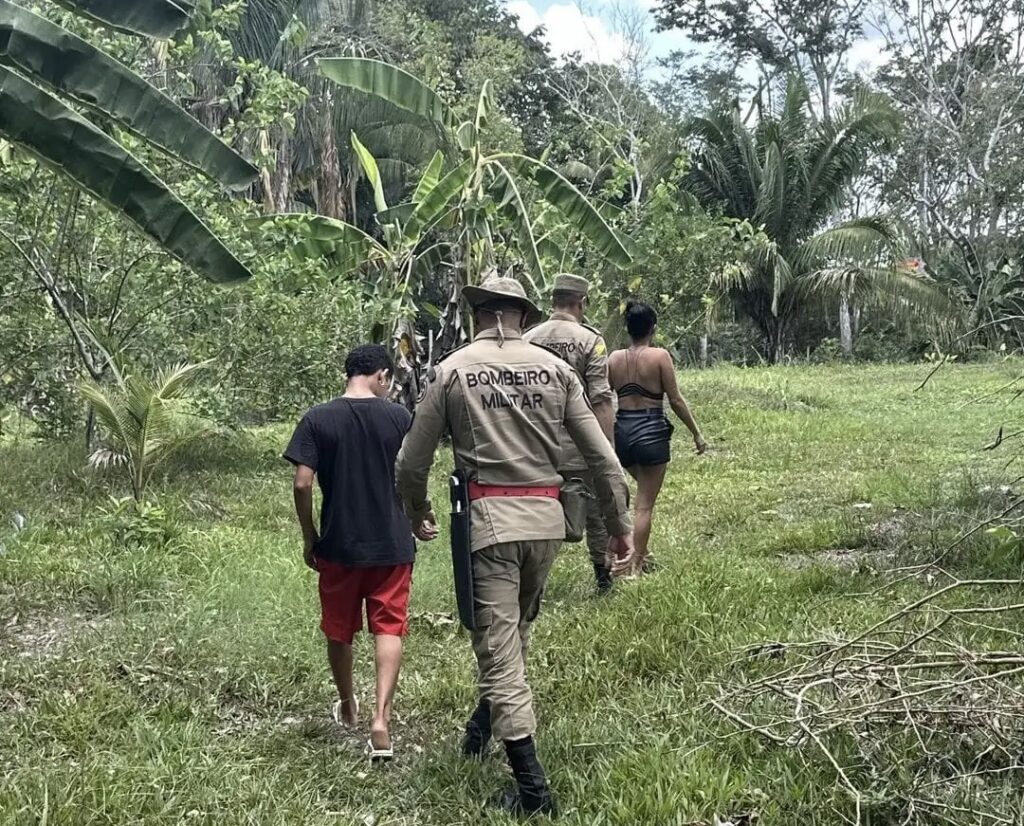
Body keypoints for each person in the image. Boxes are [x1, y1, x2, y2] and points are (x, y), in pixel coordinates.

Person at [395, 274, 633, 815]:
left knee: (499, 648)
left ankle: (533, 791)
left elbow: (411, 460)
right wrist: (619, 525)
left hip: (490, 525)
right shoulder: (557, 371)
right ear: (524, 316)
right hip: (547, 524)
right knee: (515, 631)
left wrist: (416, 508)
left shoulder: (452, 370)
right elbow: (602, 457)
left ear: (477, 313)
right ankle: (479, 730)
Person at [284, 344, 435, 761]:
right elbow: (414, 473)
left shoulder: (318, 418)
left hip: (339, 545)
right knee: (389, 629)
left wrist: (310, 535)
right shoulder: (400, 418)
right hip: (392, 545)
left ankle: (348, 703)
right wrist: (419, 515)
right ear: (382, 376)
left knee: (339, 629)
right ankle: (381, 720)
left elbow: (302, 483)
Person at [524, 273, 617, 593]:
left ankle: (533, 581)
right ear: (583, 302)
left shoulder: (527, 339)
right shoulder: (591, 340)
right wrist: (606, 448)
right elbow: (600, 398)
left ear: (552, 301)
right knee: (597, 515)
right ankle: (603, 579)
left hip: (536, 446)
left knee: (537, 513)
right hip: (579, 444)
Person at [608, 300, 707, 574]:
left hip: (622, 433)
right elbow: (675, 400)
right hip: (651, 431)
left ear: (628, 329)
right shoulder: (660, 356)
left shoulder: (614, 359)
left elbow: (602, 398)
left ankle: (641, 553)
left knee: (641, 492)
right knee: (644, 506)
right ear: (653, 328)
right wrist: (697, 434)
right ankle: (636, 565)